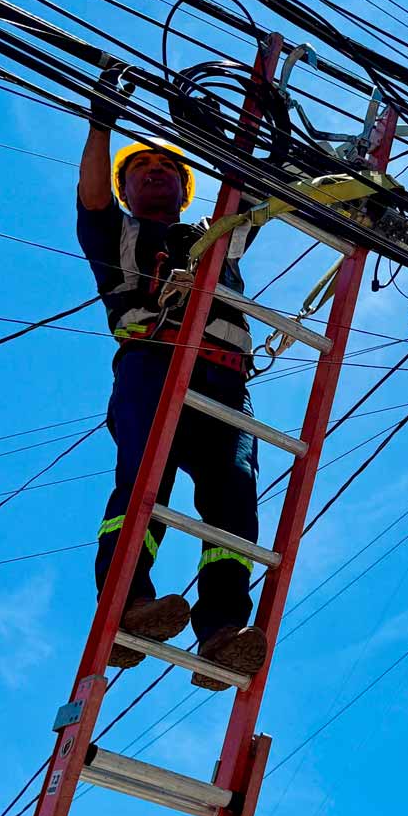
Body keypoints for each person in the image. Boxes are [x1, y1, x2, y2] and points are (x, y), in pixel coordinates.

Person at [76, 66, 265, 691]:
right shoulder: (116, 232)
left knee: (233, 494)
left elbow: (255, 194)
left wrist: (248, 128)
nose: (155, 172)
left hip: (225, 381)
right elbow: (91, 197)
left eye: (168, 169)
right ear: (127, 189)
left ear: (186, 192)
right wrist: (102, 119)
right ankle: (128, 603)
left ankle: (223, 631)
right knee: (144, 480)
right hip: (152, 362)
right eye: (142, 169)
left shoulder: (217, 235)